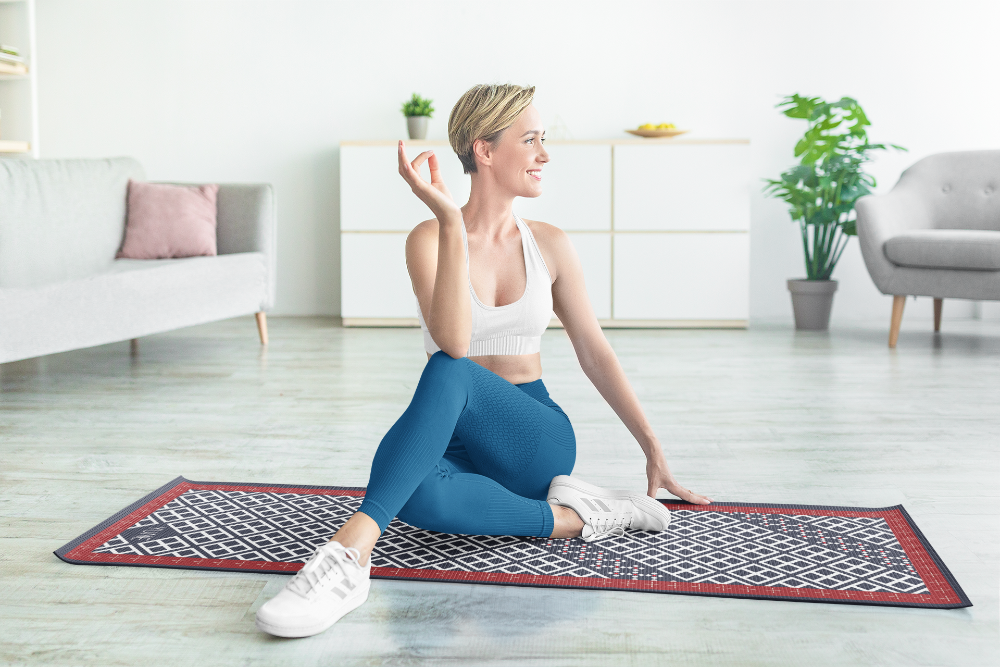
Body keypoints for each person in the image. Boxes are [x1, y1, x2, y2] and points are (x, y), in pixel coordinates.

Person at [255, 83, 712, 638]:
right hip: (454, 435)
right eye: (530, 140)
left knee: (448, 373)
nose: (544, 154)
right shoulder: (428, 238)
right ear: (485, 150)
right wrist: (450, 221)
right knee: (415, 492)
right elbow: (453, 335)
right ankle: (575, 517)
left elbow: (593, 350)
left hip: (534, 434)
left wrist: (653, 447)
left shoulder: (549, 242)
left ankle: (349, 554)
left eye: (544, 139)